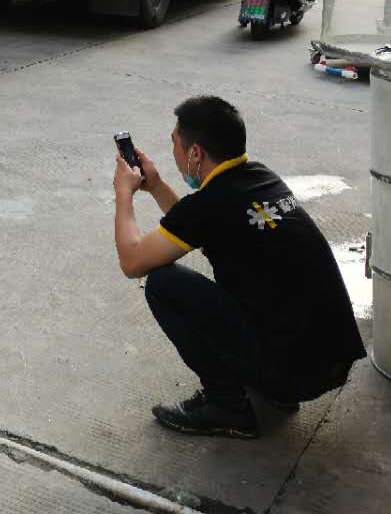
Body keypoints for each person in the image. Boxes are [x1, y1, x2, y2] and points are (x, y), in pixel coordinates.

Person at [112, 96, 365, 439]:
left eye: (174, 142)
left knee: (163, 283)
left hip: (295, 374)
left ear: (195, 153)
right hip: (329, 360)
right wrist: (155, 186)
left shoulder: (212, 204)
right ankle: (273, 388)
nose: (172, 152)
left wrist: (123, 193)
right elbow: (197, 225)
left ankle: (228, 406)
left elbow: (132, 262)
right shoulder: (259, 178)